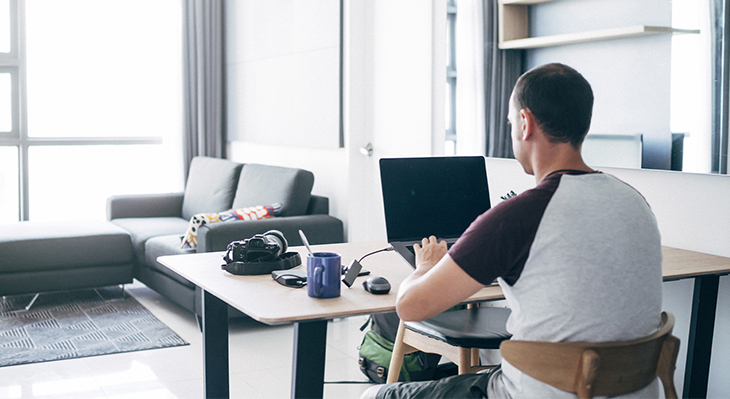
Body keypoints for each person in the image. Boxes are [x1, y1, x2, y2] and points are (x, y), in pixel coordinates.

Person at [362, 63, 663, 399]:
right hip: (638, 391)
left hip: (538, 393)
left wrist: (426, 267)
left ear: (524, 123)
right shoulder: (636, 202)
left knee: (373, 397)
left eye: (509, 123)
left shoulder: (519, 216)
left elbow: (410, 307)